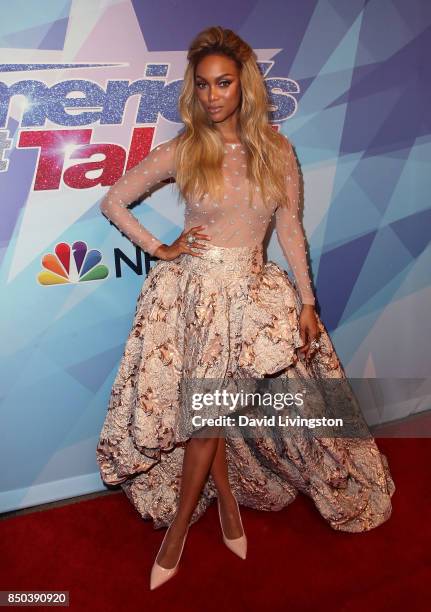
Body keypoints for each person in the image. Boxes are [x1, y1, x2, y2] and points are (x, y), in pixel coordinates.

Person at [96, 26, 395, 590]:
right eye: (204, 85)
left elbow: (289, 229)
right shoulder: (185, 148)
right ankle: (182, 530)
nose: (213, 96)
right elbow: (114, 200)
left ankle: (221, 510)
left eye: (224, 83)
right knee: (207, 417)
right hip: (194, 300)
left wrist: (307, 302)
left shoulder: (277, 150)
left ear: (244, 85)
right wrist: (161, 248)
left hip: (252, 300)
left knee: (214, 414)